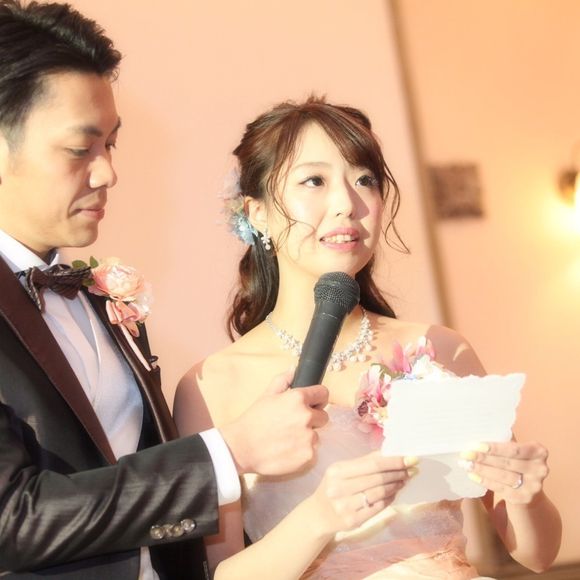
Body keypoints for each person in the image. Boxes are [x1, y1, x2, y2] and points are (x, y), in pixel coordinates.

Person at [0, 2, 330, 579]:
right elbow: (12, 521)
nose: (107, 173)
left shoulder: (100, 295)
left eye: (111, 145)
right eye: (80, 149)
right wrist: (228, 453)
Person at [174, 97, 562, 579]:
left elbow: (537, 555)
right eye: (314, 181)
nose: (347, 204)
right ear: (257, 213)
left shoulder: (440, 350)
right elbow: (224, 574)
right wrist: (319, 518)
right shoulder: (212, 385)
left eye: (364, 180)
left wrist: (526, 494)